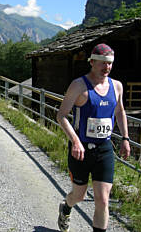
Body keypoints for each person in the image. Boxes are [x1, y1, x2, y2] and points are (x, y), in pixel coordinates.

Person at [56, 43, 130, 232]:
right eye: (103, 63)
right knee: (79, 196)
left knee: (103, 200)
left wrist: (125, 138)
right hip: (81, 150)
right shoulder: (79, 85)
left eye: (110, 64)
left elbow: (120, 111)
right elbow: (61, 115)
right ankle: (66, 207)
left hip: (104, 149)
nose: (107, 67)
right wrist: (76, 141)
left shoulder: (117, 86)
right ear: (92, 62)